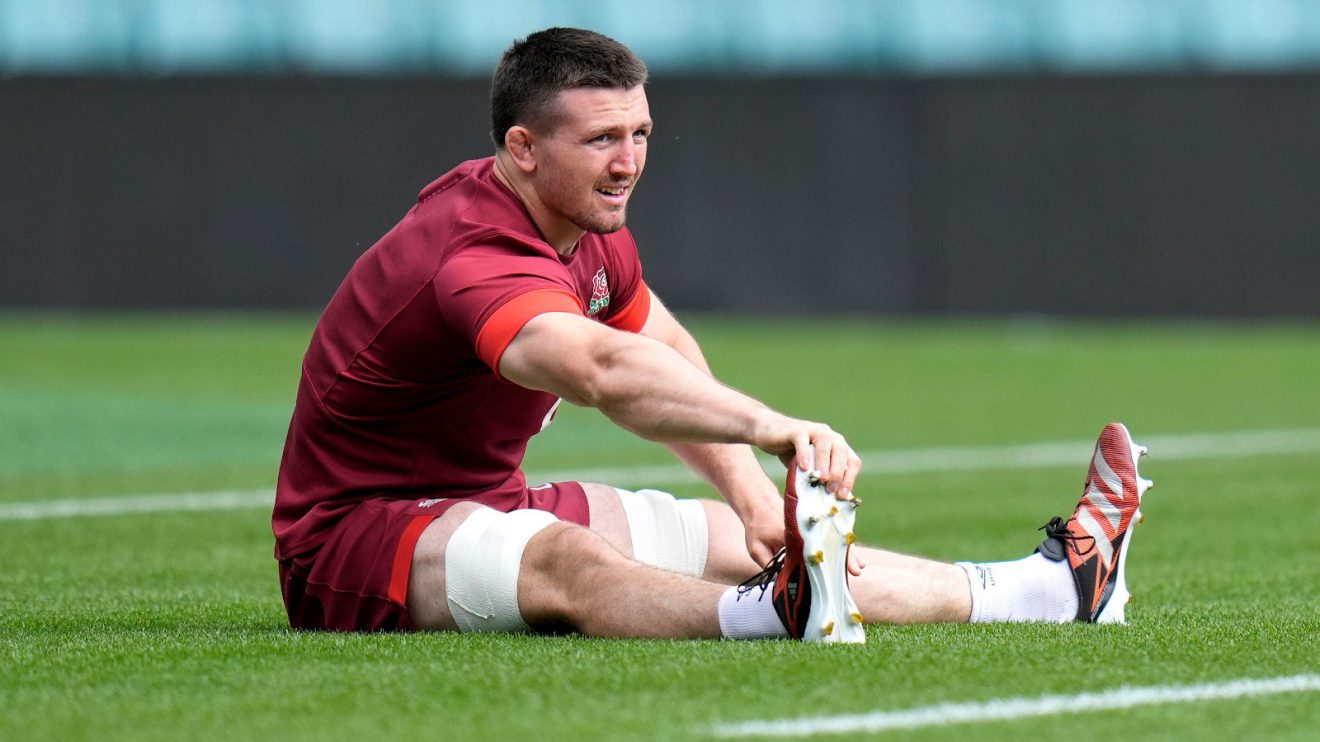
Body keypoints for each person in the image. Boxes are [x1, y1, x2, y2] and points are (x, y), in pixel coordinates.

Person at [272, 27, 1153, 640]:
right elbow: (602, 370)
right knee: (567, 561)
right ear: (524, 147)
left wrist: (751, 495)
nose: (628, 162)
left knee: (731, 538)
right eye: (602, 139)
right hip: (354, 538)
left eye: (640, 133)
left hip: (484, 500)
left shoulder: (584, 226)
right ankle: (774, 616)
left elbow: (662, 352)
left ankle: (1049, 589)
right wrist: (769, 427)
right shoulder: (474, 251)